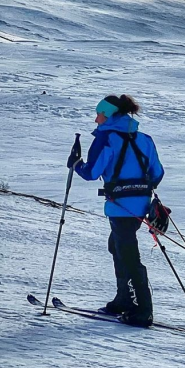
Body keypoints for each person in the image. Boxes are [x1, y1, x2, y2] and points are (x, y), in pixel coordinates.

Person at [68, 94, 164, 327]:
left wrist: (75, 164)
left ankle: (142, 311)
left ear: (109, 114)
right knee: (118, 246)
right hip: (141, 206)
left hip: (120, 206)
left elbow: (92, 172)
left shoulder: (106, 138)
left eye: (99, 114)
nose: (96, 119)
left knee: (128, 254)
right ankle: (124, 300)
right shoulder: (145, 139)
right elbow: (158, 173)